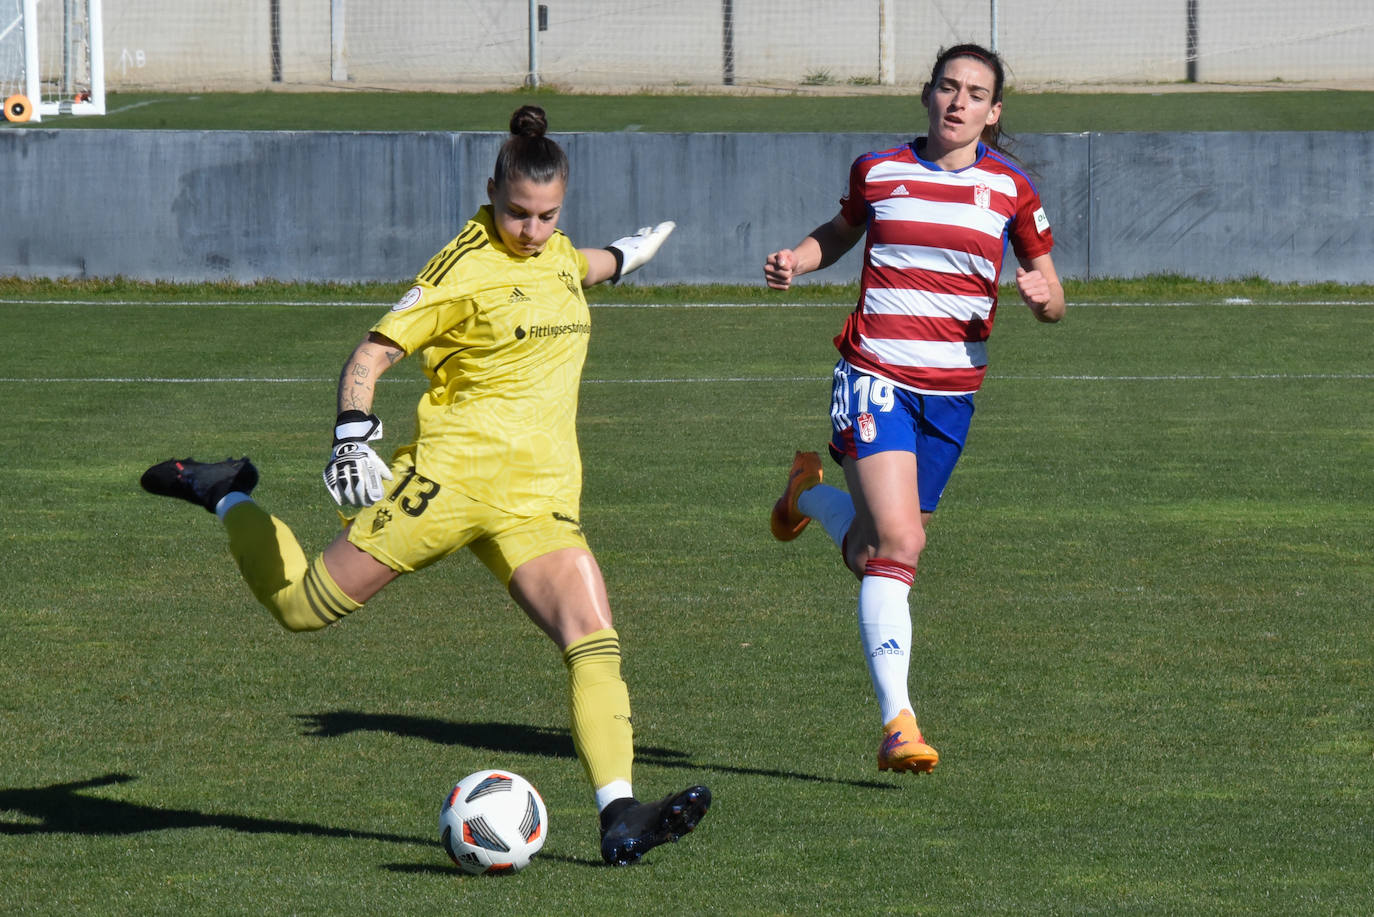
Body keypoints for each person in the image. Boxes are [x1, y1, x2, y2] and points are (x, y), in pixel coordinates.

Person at [141, 105, 709, 866]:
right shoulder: (462, 267)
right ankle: (225, 492)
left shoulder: (557, 251)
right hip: (448, 481)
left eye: (547, 215)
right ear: (490, 192)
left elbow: (579, 265)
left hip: (538, 493)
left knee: (593, 641)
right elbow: (371, 354)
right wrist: (352, 428)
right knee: (302, 608)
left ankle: (620, 813)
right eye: (517, 213)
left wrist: (626, 253)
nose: (531, 230)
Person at [763, 44, 1065, 775]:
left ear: (994, 114)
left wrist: (1042, 299)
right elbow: (842, 232)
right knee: (901, 543)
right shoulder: (880, 169)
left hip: (953, 394)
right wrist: (799, 259)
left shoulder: (1011, 189)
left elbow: (1051, 288)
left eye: (976, 94)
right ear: (928, 96)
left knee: (875, 551)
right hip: (875, 374)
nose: (958, 102)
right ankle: (898, 721)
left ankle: (805, 495)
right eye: (948, 87)